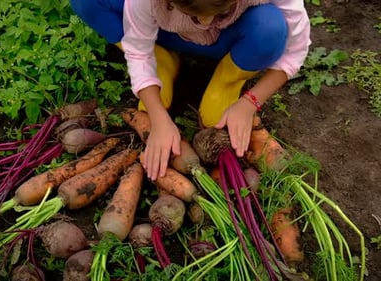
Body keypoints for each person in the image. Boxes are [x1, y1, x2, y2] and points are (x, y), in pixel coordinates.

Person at [70, 0, 311, 180]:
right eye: (192, 13)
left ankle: (227, 78)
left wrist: (250, 102)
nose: (204, 23)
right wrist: (158, 117)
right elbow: (137, 51)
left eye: (219, 12)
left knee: (271, 27)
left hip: (230, 38)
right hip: (168, 34)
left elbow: (295, 51)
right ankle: (162, 61)